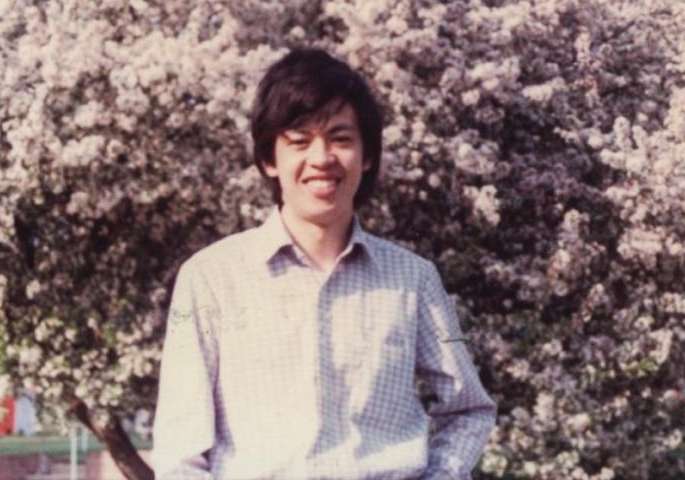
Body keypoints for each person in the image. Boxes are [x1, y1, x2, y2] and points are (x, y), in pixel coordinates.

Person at [151, 49, 496, 480]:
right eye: (299, 140)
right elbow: (179, 451)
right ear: (269, 159)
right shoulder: (210, 279)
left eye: (341, 138)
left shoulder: (414, 279)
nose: (322, 158)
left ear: (366, 155)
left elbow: (469, 410)